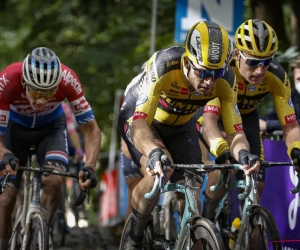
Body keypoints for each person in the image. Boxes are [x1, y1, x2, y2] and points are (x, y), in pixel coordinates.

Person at [118, 20, 260, 249]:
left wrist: (243, 153)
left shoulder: (227, 80)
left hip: (181, 124)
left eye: (217, 73)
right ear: (186, 61)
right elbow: (140, 122)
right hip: (141, 119)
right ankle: (132, 238)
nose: (209, 81)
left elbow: (236, 132)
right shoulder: (164, 64)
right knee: (159, 173)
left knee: (193, 187)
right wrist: (154, 152)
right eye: (202, 72)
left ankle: (193, 237)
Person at [198, 19, 300, 223]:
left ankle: (245, 229)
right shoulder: (224, 73)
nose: (260, 70)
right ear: (237, 55)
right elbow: (209, 121)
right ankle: (206, 223)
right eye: (253, 62)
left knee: (256, 185)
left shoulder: (277, 76)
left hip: (247, 117)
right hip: (217, 118)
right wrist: (222, 147)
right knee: (223, 173)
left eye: (266, 62)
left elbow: (290, 126)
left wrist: (296, 149)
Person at [0, 47, 101, 249]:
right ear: (24, 82)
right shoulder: (8, 79)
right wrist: (3, 153)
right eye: (36, 92)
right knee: (6, 199)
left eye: (49, 93)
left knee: (54, 181)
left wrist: (89, 166)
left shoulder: (68, 79)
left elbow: (91, 130)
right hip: (14, 129)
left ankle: (42, 235)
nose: (41, 101)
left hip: (51, 129)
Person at [260, 56, 300, 133]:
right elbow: (276, 114)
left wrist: (267, 125)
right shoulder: (293, 96)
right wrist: (258, 123)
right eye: (299, 79)